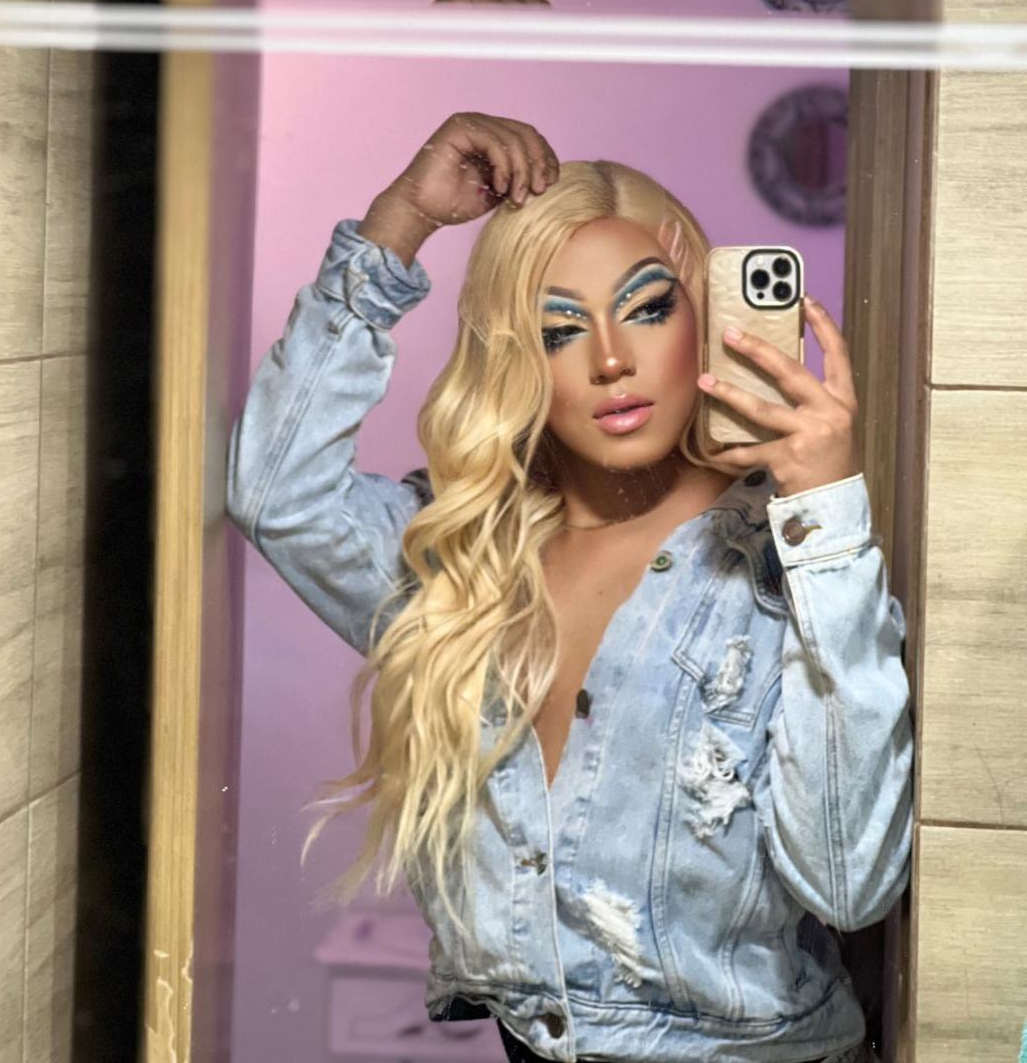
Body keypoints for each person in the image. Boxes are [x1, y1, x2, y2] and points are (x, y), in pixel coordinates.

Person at [226, 105, 912, 1063]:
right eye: (558, 329)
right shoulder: (470, 565)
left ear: (704, 316)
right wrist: (400, 222)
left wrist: (827, 516)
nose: (611, 359)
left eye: (648, 308)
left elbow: (849, 884)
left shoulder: (787, 565)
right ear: (517, 358)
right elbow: (276, 492)